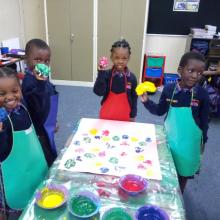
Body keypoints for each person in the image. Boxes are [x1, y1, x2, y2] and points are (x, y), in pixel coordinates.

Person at [140, 51, 210, 193]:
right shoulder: (169, 89)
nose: (195, 76)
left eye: (200, 72)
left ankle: (179, 195)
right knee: (167, 169)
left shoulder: (202, 94)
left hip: (190, 143)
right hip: (170, 138)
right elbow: (160, 111)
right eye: (191, 70)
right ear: (180, 70)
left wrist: (203, 142)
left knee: (183, 173)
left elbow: (205, 120)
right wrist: (147, 102)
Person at [0, 67, 48, 219]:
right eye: (2, 94)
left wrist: (40, 85)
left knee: (37, 195)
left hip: (34, 167)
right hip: (15, 176)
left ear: (20, 89)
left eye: (14, 90)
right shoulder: (2, 121)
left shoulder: (23, 108)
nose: (10, 97)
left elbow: (39, 108)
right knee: (20, 210)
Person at [22, 39, 58, 167]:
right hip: (38, 129)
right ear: (27, 60)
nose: (42, 64)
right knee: (45, 156)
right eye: (37, 60)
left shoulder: (42, 78)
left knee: (50, 149)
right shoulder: (29, 81)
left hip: (47, 122)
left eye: (46, 61)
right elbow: (36, 104)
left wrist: (53, 121)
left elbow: (48, 100)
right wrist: (40, 83)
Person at [93, 39, 137, 122]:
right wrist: (101, 73)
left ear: (128, 58)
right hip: (106, 116)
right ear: (111, 58)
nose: (120, 61)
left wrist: (133, 115)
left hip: (124, 116)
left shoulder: (132, 78)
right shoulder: (106, 74)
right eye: (117, 58)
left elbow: (134, 97)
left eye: (124, 58)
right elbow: (98, 92)